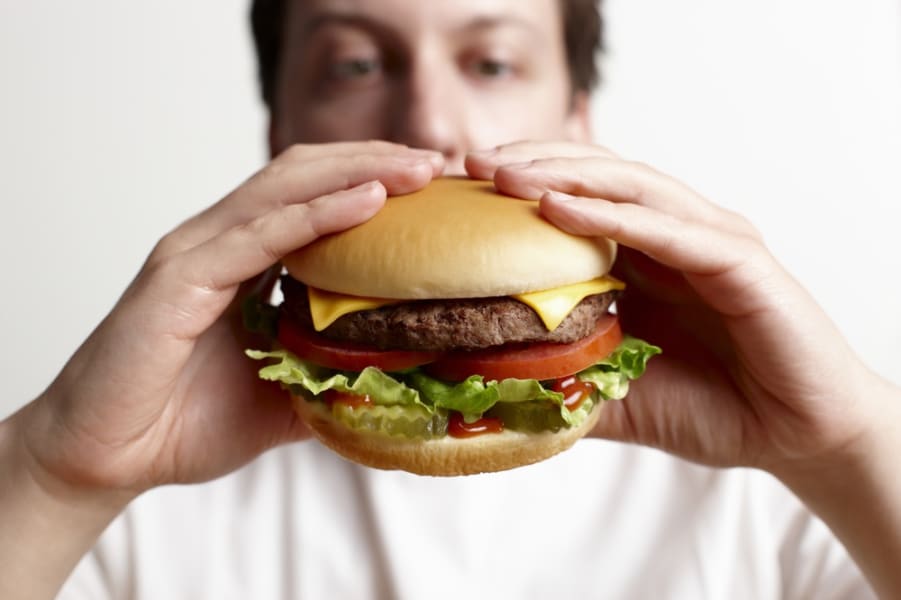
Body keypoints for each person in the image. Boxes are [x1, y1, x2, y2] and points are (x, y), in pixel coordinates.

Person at [1, 0, 898, 597]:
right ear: (279, 131)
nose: (430, 124)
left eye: (494, 63)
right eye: (354, 65)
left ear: (578, 120)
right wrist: (52, 474)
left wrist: (849, 447)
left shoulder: (774, 497)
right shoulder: (136, 508)